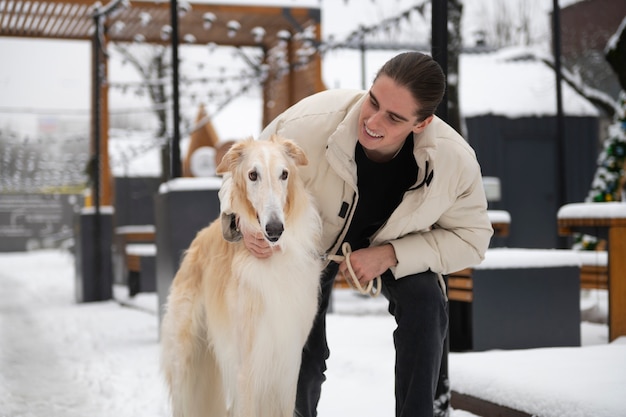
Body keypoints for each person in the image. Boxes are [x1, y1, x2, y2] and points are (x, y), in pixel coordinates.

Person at [220, 51, 493, 417]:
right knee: (304, 353)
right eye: (373, 102)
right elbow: (238, 175)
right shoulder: (308, 124)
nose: (373, 121)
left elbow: (473, 238)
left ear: (422, 122)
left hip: (394, 244)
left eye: (393, 117)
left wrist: (391, 254)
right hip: (308, 249)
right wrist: (244, 222)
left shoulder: (453, 162)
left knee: (426, 301)